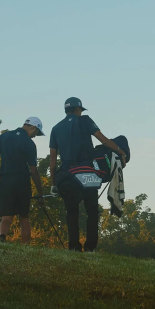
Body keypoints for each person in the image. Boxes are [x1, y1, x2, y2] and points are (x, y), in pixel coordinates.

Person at [49, 97, 128, 252]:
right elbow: (104, 140)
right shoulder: (84, 120)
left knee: (72, 212)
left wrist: (53, 184)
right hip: (87, 173)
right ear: (78, 109)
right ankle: (90, 247)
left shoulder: (56, 128)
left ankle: (74, 247)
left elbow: (52, 159)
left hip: (67, 176)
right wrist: (121, 152)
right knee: (92, 211)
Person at [0, 117, 46, 244]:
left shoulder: (4, 136)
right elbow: (34, 171)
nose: (35, 136)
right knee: (24, 217)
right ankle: (26, 246)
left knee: (6, 216)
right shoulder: (29, 144)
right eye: (36, 133)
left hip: (6, 180)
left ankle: (2, 237)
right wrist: (40, 194)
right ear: (32, 127)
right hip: (22, 181)